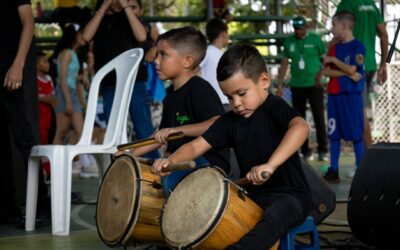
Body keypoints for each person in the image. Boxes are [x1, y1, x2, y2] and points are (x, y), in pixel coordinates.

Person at [151, 43, 312, 249]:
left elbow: (300, 127)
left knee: (277, 213)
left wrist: (270, 165)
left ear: (263, 81)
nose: (235, 103)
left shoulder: (273, 107)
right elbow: (194, 147)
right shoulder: (230, 121)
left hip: (292, 196)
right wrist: (170, 161)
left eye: (242, 93)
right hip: (253, 197)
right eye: (229, 97)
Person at [122, 27, 231, 197]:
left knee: (170, 181)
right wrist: (129, 155)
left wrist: (177, 131)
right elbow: (161, 135)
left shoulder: (199, 89)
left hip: (206, 162)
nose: (156, 61)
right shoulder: (170, 95)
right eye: (157, 55)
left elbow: (217, 122)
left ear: (187, 61)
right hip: (178, 160)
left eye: (163, 54)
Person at [83, 0, 159, 159]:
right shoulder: (99, 18)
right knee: (114, 132)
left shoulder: (129, 17)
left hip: (135, 83)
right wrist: (104, 6)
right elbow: (85, 36)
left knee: (143, 129)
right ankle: (118, 170)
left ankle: (156, 171)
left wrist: (126, 7)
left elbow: (141, 35)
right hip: (110, 86)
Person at [0, 0, 49, 224]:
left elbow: (28, 24)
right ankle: (7, 207)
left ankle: (41, 206)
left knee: (24, 139)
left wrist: (18, 64)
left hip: (10, 71)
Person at [336, 0, 389, 148]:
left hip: (353, 67)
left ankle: (369, 155)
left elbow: (339, 34)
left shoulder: (347, 4)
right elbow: (384, 35)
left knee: (358, 113)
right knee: (357, 111)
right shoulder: (371, 5)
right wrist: (383, 64)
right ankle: (365, 154)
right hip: (370, 65)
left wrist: (330, 55)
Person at [321, 11, 365, 183]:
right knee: (334, 135)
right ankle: (333, 170)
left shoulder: (358, 46)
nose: (332, 29)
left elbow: (353, 69)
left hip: (350, 97)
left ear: (344, 26)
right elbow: (326, 71)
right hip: (334, 95)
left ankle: (361, 170)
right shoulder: (334, 47)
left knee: (356, 134)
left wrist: (334, 61)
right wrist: (345, 72)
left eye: (334, 25)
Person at [277, 16, 328, 162]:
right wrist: (280, 84)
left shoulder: (315, 39)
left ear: (306, 27)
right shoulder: (289, 41)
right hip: (297, 85)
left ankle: (323, 150)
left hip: (314, 85)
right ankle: (305, 150)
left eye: (300, 28)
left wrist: (321, 76)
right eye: (295, 29)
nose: (298, 31)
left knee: (319, 117)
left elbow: (324, 60)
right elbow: (284, 63)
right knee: (299, 119)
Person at [200, 18, 230, 111]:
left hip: (221, 101)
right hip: (215, 102)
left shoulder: (222, 54)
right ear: (223, 34)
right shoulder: (207, 52)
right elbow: (195, 68)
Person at [36, 51, 57, 178]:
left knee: (48, 139)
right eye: (44, 61)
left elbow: (52, 96)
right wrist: (45, 99)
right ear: (36, 65)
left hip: (49, 114)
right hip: (39, 114)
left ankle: (48, 170)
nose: (48, 64)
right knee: (41, 139)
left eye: (48, 61)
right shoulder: (34, 80)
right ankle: (43, 169)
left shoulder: (49, 79)